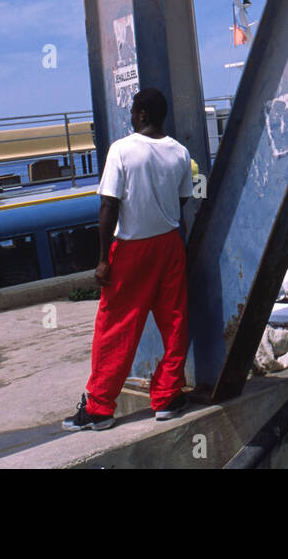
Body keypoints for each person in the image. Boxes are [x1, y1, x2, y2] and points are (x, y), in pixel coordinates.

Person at [63, 89, 194, 432]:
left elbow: (109, 205)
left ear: (143, 114)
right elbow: (181, 203)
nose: (131, 117)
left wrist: (103, 259)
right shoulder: (180, 153)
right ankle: (167, 397)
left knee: (116, 326)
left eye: (134, 112)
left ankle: (99, 408)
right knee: (175, 319)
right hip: (170, 245)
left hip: (132, 248)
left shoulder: (122, 150)